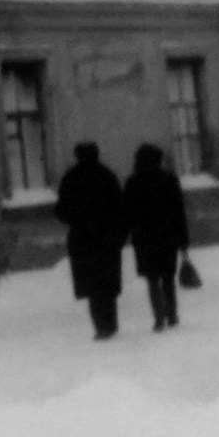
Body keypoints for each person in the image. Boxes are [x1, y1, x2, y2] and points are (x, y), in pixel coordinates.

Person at [53, 141, 128, 339]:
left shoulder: (71, 178)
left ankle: (100, 326)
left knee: (92, 285)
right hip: (107, 238)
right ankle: (110, 323)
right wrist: (120, 235)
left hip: (83, 239)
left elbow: (61, 211)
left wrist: (78, 220)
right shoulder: (107, 176)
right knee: (107, 285)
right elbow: (120, 209)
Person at [124, 142, 191, 332]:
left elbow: (127, 212)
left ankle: (158, 317)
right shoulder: (169, 180)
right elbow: (179, 211)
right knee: (168, 278)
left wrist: (128, 232)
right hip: (167, 236)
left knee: (152, 279)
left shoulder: (133, 182)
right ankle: (172, 314)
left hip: (144, 239)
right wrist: (183, 241)